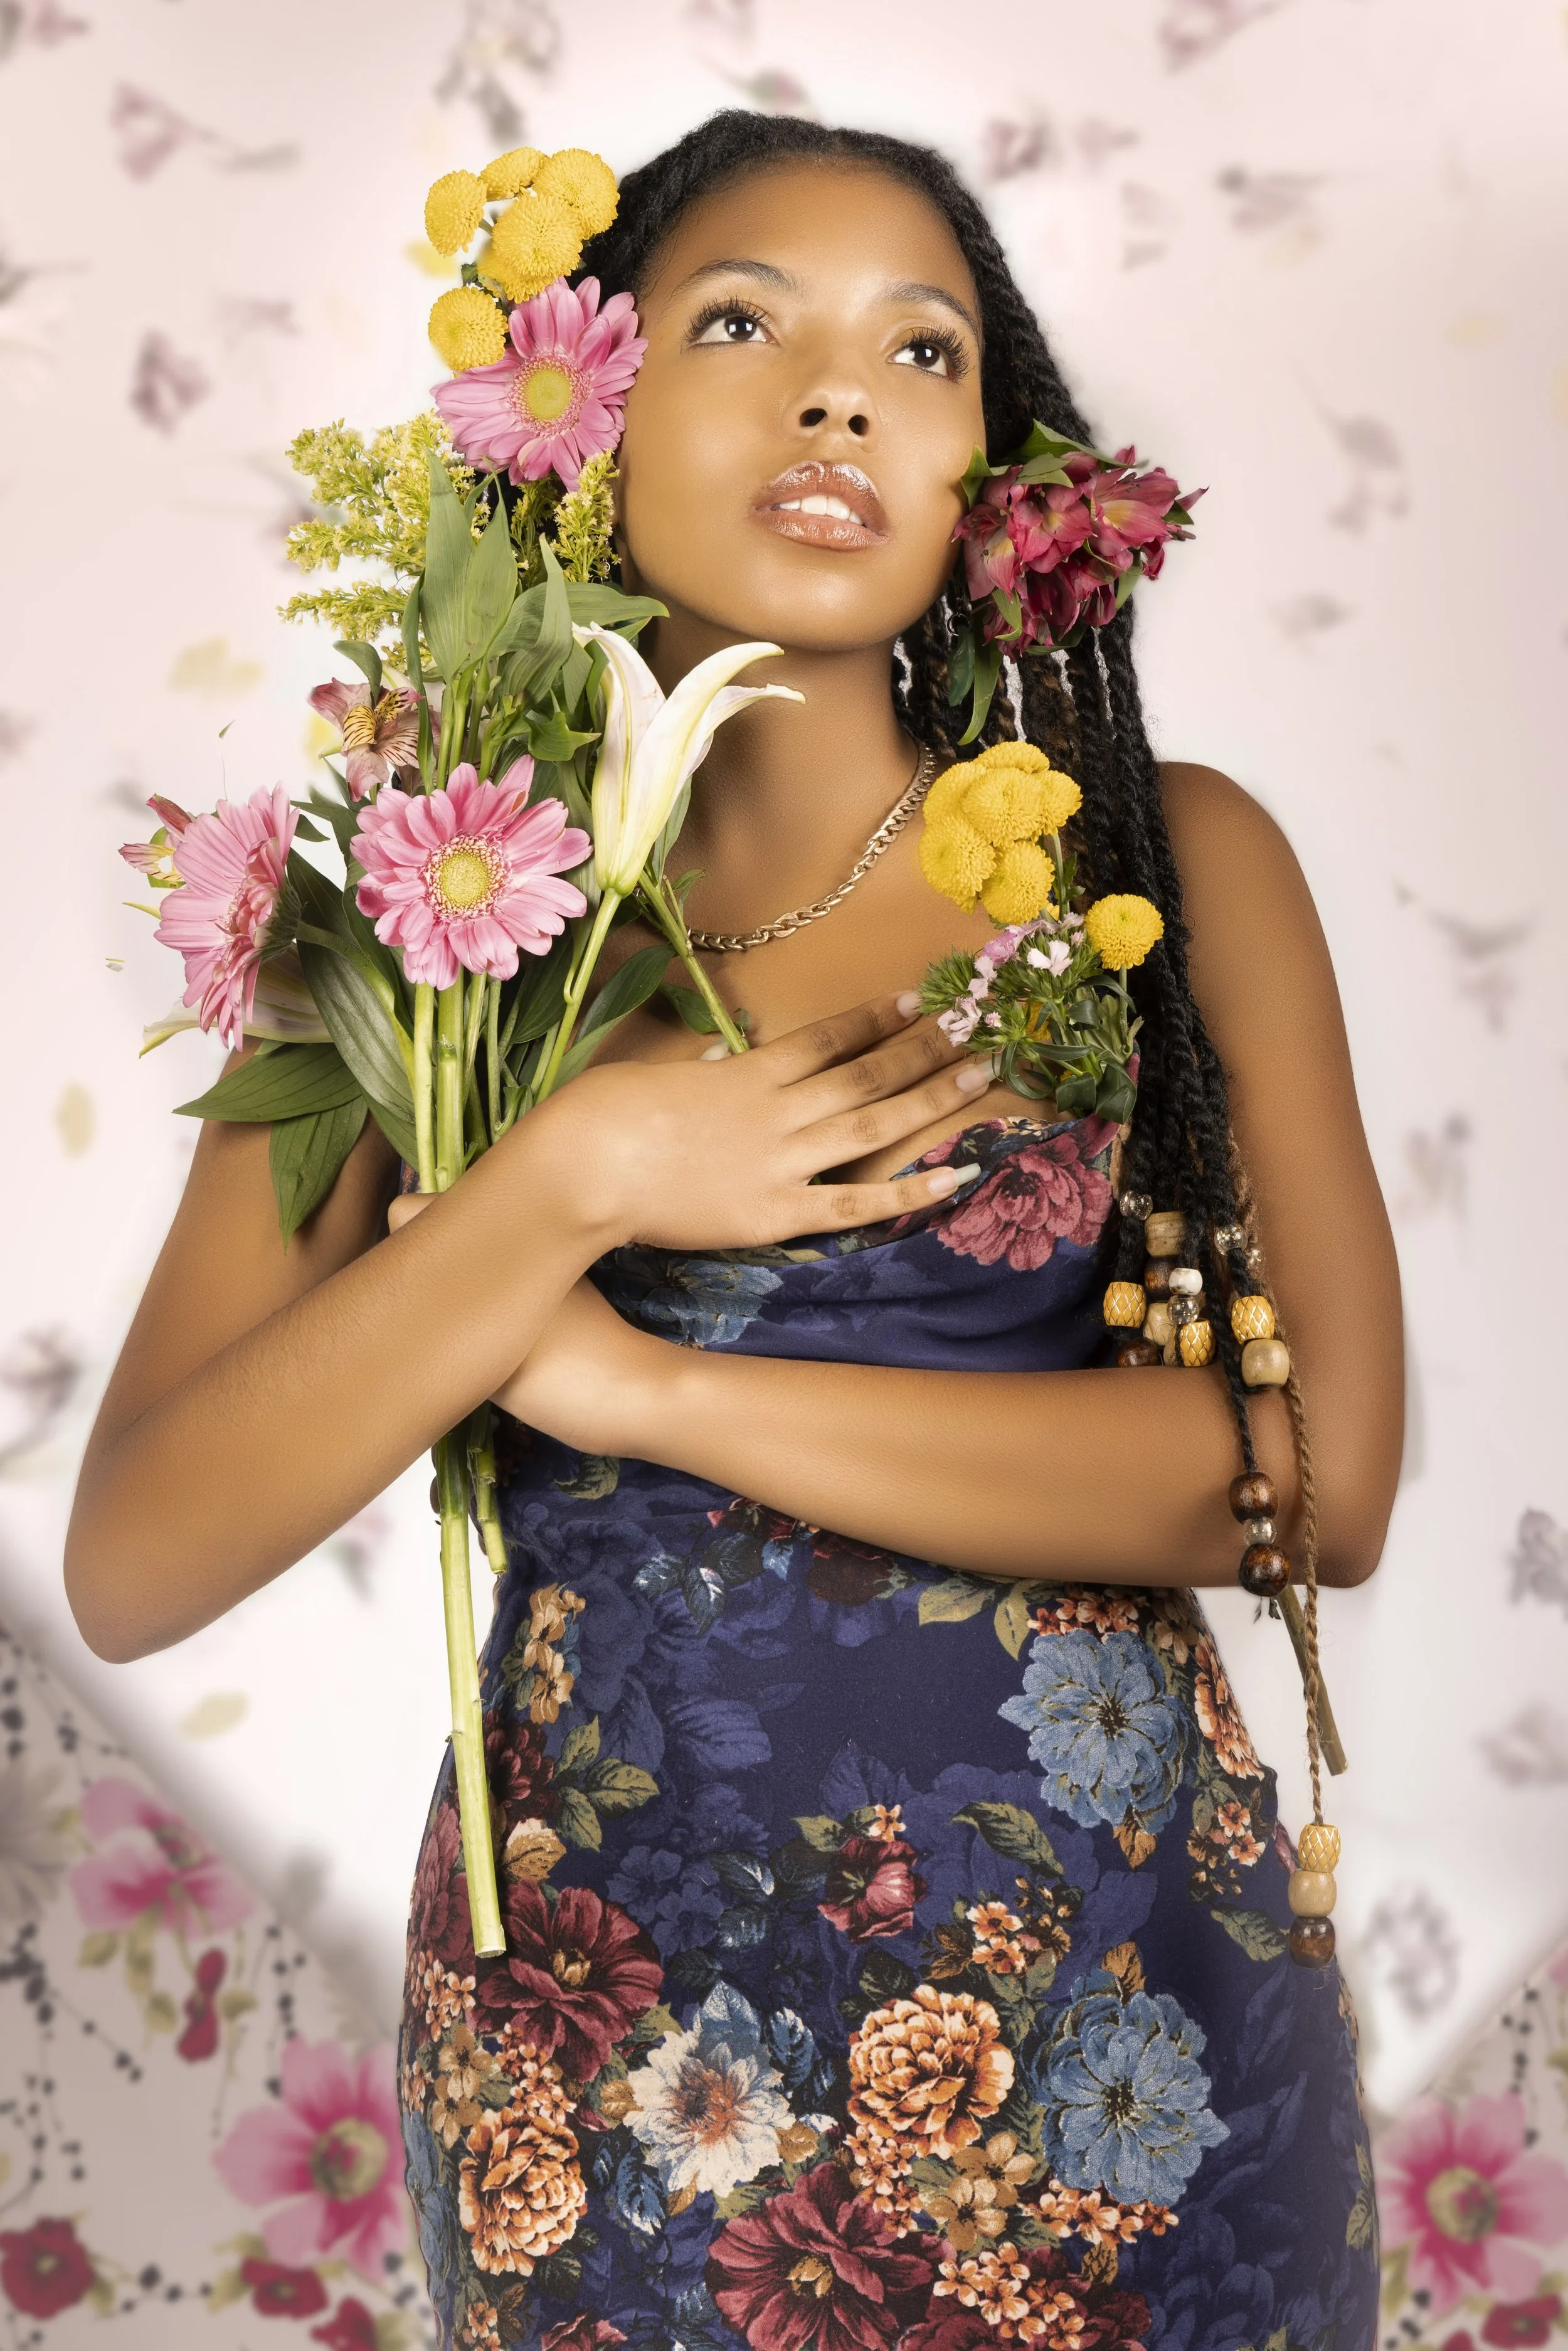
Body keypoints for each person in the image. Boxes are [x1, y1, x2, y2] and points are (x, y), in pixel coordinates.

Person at [66, 110, 1401, 2351]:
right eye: (737, 322)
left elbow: (1307, 1479)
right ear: (578, 406)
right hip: (609, 2049)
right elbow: (139, 1553)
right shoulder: (422, 918)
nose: (837, 392)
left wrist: (643, 1385)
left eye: (923, 347)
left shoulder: (1152, 871)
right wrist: (573, 1178)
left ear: (991, 460)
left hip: (1125, 2029)